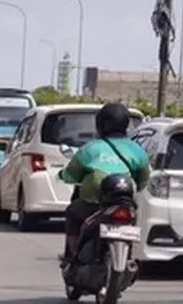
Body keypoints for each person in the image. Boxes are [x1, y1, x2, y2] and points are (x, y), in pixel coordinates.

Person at [59, 103, 151, 264]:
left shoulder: (90, 149)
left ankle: (72, 257)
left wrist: (63, 175)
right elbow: (143, 180)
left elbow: (71, 176)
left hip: (93, 205)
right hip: (125, 205)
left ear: (100, 124)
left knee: (73, 212)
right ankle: (129, 256)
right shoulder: (138, 150)